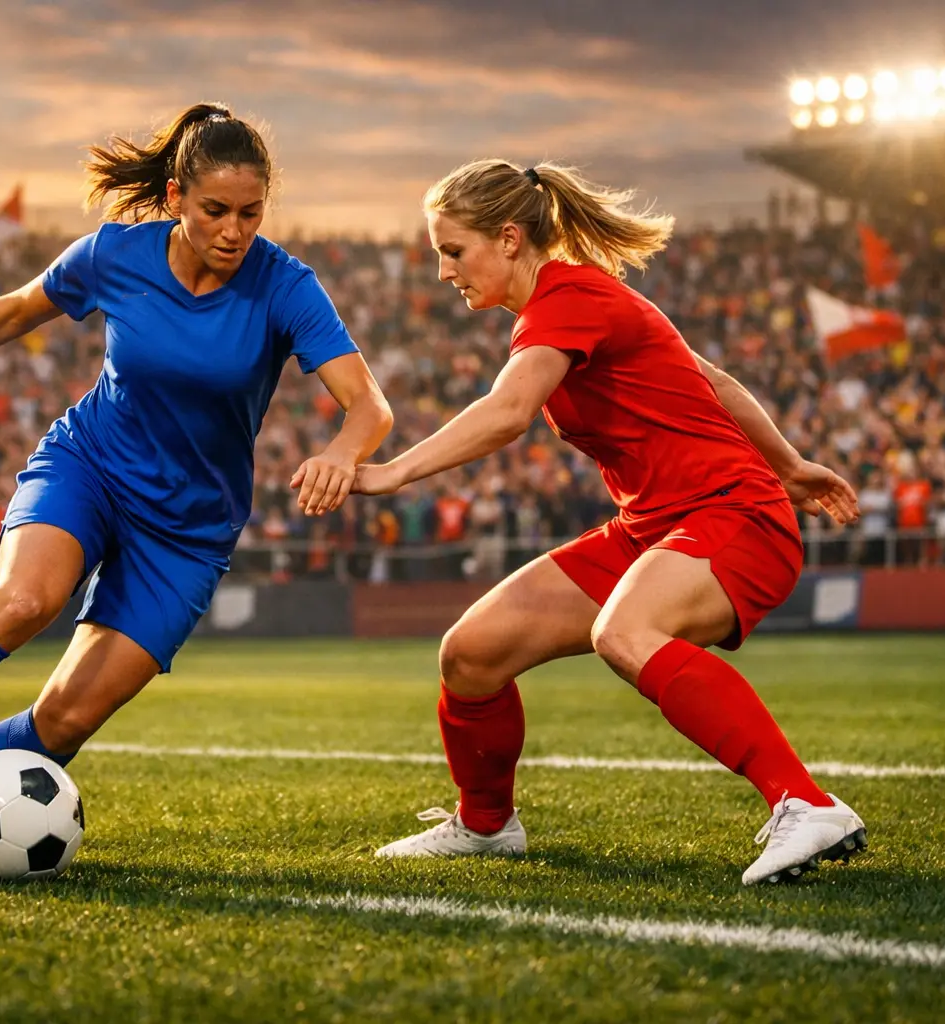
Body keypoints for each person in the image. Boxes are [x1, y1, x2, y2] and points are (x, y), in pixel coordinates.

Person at [0, 103, 392, 869]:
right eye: (215, 210)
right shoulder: (115, 255)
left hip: (188, 530)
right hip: (90, 468)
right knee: (22, 602)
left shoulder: (285, 285)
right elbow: (17, 310)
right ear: (176, 197)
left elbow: (369, 405)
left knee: (68, 717)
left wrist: (345, 453)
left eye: (251, 213)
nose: (234, 230)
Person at [351, 160, 864, 885]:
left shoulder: (569, 297)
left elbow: (507, 414)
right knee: (471, 654)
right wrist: (792, 462)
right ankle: (486, 827)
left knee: (625, 634)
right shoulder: (575, 302)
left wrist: (391, 471)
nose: (442, 271)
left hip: (732, 515)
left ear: (506, 239)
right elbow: (713, 382)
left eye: (452, 250)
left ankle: (805, 804)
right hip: (653, 527)